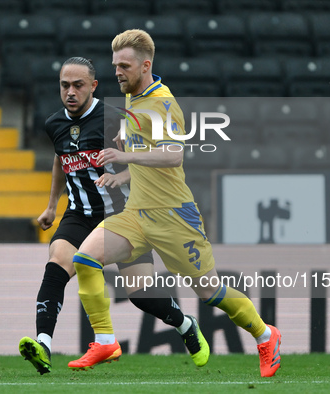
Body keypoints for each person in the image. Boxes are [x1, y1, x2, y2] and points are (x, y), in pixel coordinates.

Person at [67, 30, 282, 378]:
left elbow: (173, 154)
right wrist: (125, 172)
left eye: (125, 65)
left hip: (174, 218)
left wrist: (124, 154)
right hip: (137, 214)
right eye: (115, 65)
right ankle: (105, 340)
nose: (118, 72)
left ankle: (265, 334)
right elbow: (148, 155)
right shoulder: (135, 98)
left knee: (210, 291)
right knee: (86, 258)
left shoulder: (163, 103)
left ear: (145, 65)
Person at [19, 57, 210, 375]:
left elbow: (150, 161)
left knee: (142, 295)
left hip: (122, 216)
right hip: (79, 215)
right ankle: (43, 345)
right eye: (65, 85)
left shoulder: (116, 119)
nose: (70, 92)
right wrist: (52, 205)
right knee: (56, 268)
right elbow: (60, 158)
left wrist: (126, 176)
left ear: (93, 86)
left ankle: (185, 323)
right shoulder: (55, 123)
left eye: (78, 85)